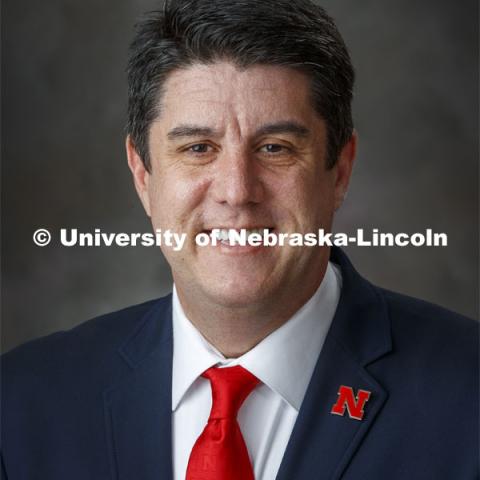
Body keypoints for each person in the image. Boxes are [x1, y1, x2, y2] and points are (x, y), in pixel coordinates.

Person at [1, 0, 478, 479]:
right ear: (143, 175)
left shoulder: (468, 393)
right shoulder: (22, 404)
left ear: (341, 170)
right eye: (198, 148)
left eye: (275, 148)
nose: (237, 192)